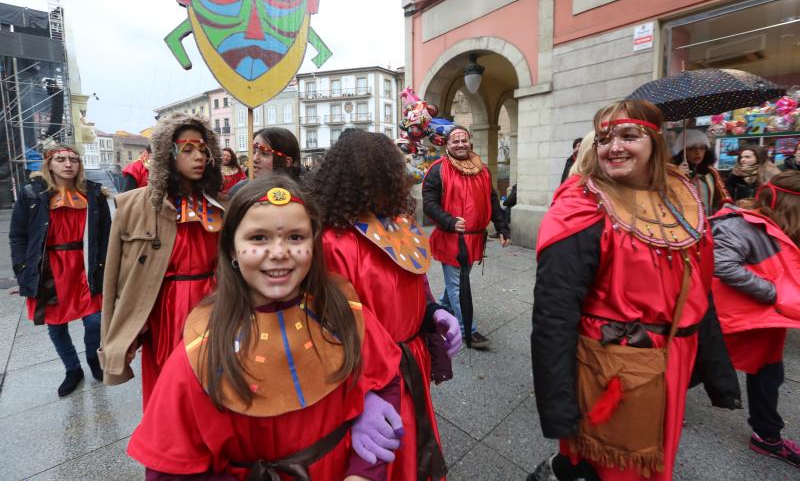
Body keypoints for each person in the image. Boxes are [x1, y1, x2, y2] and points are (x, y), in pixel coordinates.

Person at [127, 176, 405, 480]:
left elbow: (385, 379)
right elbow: (169, 469)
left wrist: (364, 469)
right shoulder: (202, 350)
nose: (279, 252)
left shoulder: (344, 315)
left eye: (296, 237)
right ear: (232, 249)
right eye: (258, 238)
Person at [530, 100, 739, 481]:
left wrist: (717, 370)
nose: (615, 147)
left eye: (630, 136)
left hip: (673, 361)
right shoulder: (581, 206)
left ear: (656, 143)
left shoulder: (682, 200)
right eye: (605, 138)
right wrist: (558, 410)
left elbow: (698, 290)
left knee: (657, 464)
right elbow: (553, 314)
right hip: (611, 369)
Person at [312, 130, 460, 481]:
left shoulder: (402, 227)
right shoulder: (332, 242)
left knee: (414, 447)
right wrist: (358, 396)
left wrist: (433, 312)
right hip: (370, 374)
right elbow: (330, 327)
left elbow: (416, 282)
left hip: (413, 364)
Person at [100, 114, 224, 406]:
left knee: (212, 379)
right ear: (167, 153)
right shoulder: (132, 206)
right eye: (188, 149)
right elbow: (115, 278)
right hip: (166, 307)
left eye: (203, 149)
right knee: (170, 383)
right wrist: (117, 335)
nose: (199, 157)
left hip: (214, 304)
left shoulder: (223, 204)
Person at [710, 171, 800, 468]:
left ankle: (767, 436)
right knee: (694, 370)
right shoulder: (739, 225)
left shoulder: (781, 227)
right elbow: (722, 264)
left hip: (764, 322)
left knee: (768, 375)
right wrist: (774, 292)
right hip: (731, 320)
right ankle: (652, 414)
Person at [9, 144, 111, 397]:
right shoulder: (31, 194)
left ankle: (93, 359)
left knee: (95, 320)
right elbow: (18, 235)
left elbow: (107, 235)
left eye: (74, 159)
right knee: (56, 325)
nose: (68, 164)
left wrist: (110, 267)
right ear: (49, 164)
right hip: (49, 269)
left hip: (85, 265)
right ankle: (72, 369)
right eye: (61, 159)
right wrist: (23, 271)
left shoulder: (94, 194)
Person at [422, 125, 510, 349]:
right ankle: (466, 329)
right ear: (447, 145)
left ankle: (442, 307)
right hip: (451, 239)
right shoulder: (437, 170)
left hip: (475, 239)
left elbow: (492, 200)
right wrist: (449, 221)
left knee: (458, 281)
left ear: (470, 142)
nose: (460, 145)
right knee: (459, 284)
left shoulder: (482, 169)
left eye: (464, 141)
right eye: (455, 141)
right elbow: (429, 205)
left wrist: (502, 228)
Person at [671, 129, 730, 215]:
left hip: (708, 220)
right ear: (682, 151)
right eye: (692, 149)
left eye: (702, 148)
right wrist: (677, 176)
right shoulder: (672, 171)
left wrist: (726, 203)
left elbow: (722, 193)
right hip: (683, 221)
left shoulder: (710, 171)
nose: (698, 153)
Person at [228, 127, 301, 196]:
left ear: (286, 162)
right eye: (253, 152)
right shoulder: (239, 191)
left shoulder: (300, 197)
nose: (254, 159)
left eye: (264, 154)